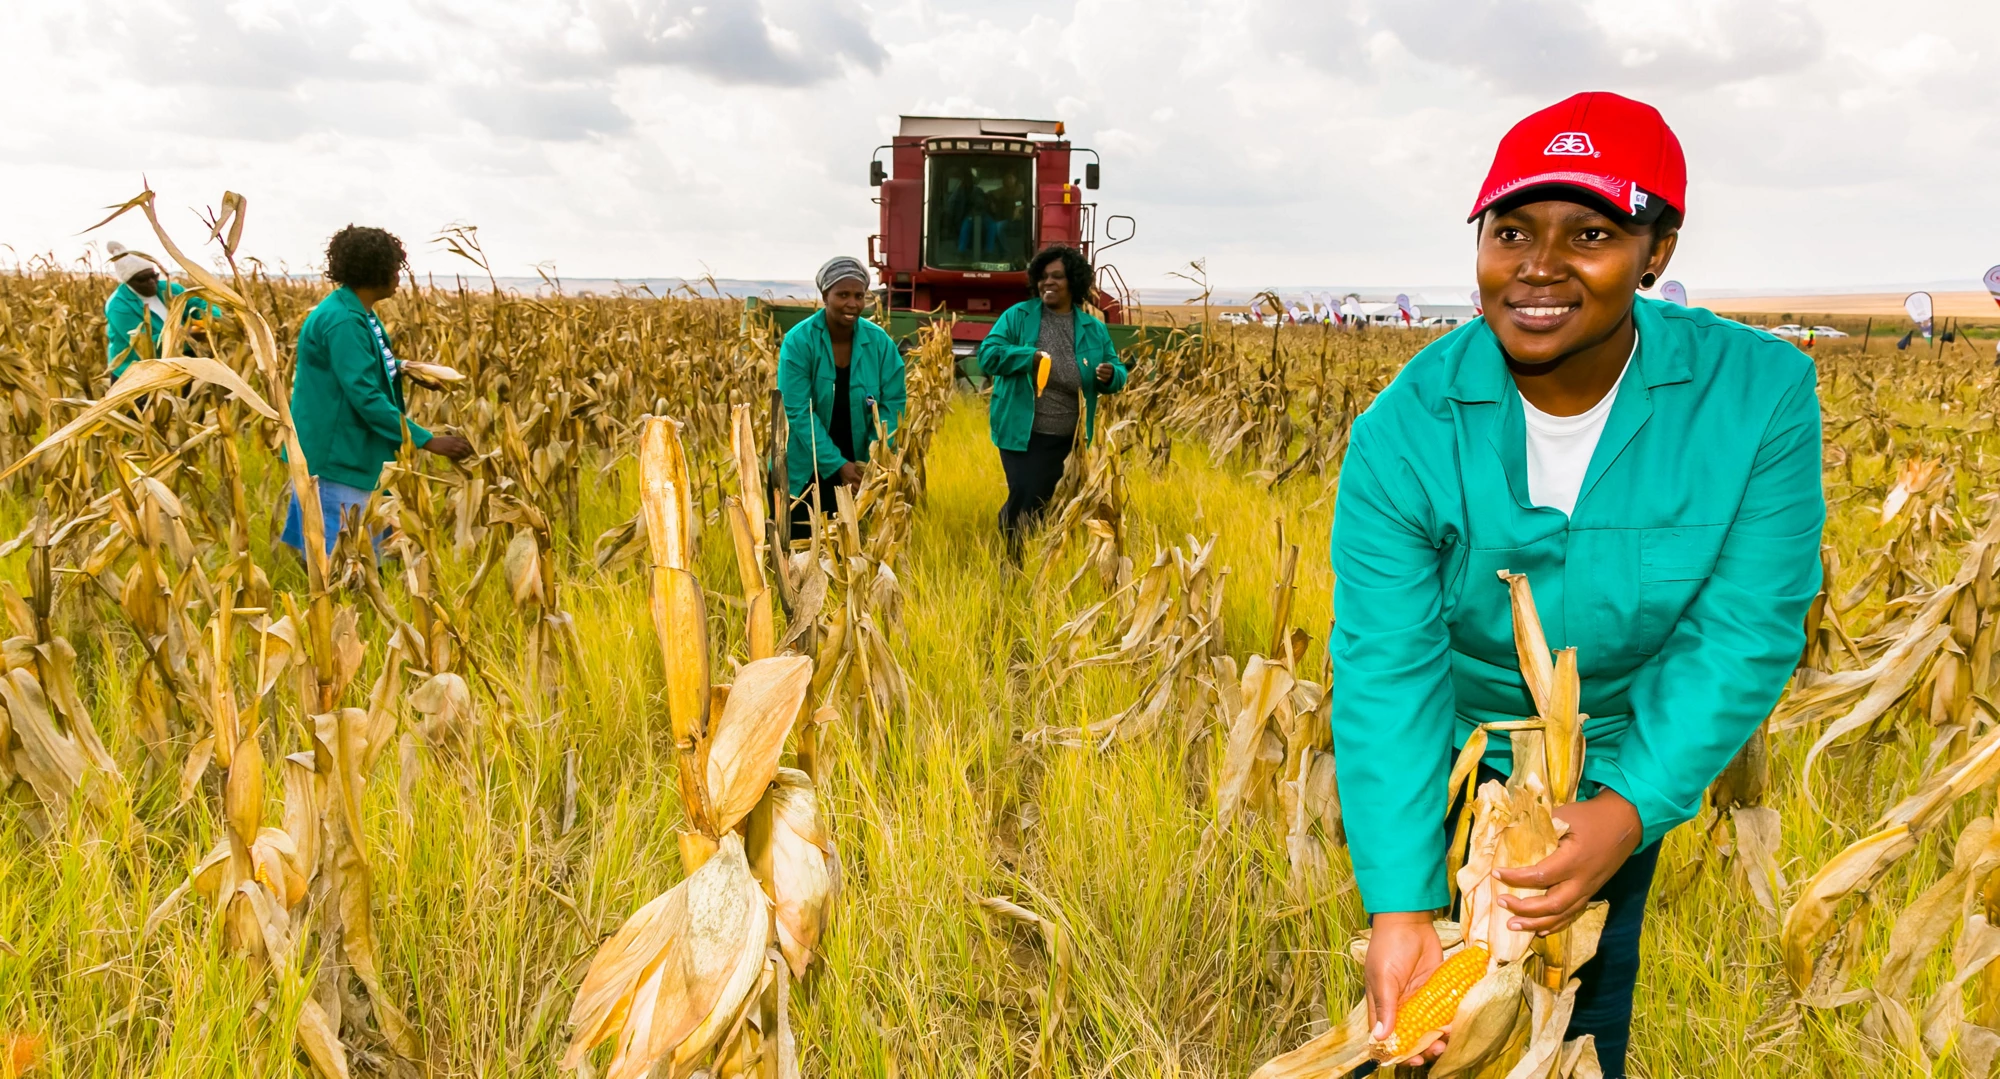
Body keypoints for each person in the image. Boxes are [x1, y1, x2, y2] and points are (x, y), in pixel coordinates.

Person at [1329, 92, 1823, 1077]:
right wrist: (1398, 900)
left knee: (1582, 1013)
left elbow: (1744, 626)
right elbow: (1386, 665)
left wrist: (1626, 808)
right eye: (1509, 230)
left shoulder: (1759, 395)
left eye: (1589, 233)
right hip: (1449, 763)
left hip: (1622, 756)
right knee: (1425, 1035)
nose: (1537, 267)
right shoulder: (1403, 427)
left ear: (1656, 250)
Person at [283, 225, 473, 555]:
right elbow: (364, 394)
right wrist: (427, 440)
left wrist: (403, 367)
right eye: (396, 268)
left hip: (346, 444)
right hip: (335, 449)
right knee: (340, 556)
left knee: (358, 546)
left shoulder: (356, 312)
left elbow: (359, 364)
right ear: (376, 270)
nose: (399, 277)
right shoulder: (344, 320)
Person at [974, 244, 1129, 548]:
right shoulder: (1017, 317)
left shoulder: (1093, 328)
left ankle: (1040, 559)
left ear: (1074, 281)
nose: (1049, 283)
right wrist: (1027, 357)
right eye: (1044, 277)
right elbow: (988, 355)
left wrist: (1111, 375)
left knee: (1053, 502)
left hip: (1071, 439)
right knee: (1027, 495)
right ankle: (1009, 561)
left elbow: (1119, 369)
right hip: (1023, 432)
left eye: (1057, 277)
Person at [777, 257, 906, 539]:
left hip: (860, 467)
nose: (852, 304)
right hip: (807, 466)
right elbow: (798, 411)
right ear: (825, 296)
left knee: (851, 551)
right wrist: (837, 465)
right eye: (843, 295)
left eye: (859, 296)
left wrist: (874, 458)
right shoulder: (799, 342)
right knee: (800, 549)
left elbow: (893, 404)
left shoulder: (880, 343)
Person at [103, 241, 214, 379]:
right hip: (137, 374)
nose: (151, 281)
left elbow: (201, 304)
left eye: (153, 276)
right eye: (143, 279)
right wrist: (190, 335)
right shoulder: (118, 307)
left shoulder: (170, 289)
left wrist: (208, 321)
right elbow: (147, 344)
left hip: (179, 362)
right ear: (128, 282)